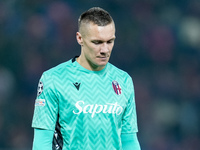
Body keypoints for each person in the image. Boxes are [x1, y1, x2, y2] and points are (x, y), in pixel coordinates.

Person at [32, 7, 141, 150]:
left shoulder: (123, 80)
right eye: (97, 42)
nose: (105, 50)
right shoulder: (54, 79)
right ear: (80, 38)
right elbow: (42, 142)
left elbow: (129, 141)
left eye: (110, 41)